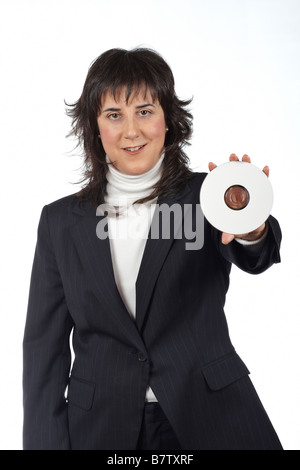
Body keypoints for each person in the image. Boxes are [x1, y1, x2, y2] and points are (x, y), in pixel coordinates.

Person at [23, 47, 283, 450]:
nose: (132, 131)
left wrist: (251, 228)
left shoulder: (208, 196)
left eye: (145, 111)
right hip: (101, 426)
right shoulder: (60, 222)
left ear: (168, 120)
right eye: (114, 115)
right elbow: (44, 349)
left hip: (212, 415)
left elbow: (256, 253)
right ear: (94, 127)